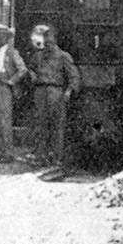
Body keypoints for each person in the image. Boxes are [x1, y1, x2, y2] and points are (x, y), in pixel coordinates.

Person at [28, 25, 80, 166]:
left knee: (57, 126)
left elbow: (74, 76)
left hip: (56, 93)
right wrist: (32, 75)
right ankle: (40, 156)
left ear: (55, 41)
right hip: (40, 92)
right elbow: (30, 69)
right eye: (46, 41)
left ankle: (57, 157)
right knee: (40, 125)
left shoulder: (64, 56)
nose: (48, 44)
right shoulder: (37, 56)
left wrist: (69, 91)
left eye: (50, 41)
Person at [0, 25, 28, 164]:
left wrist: (12, 81)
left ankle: (8, 153)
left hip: (5, 86)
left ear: (6, 38)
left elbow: (22, 70)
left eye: (1, 36)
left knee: (5, 120)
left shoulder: (12, 52)